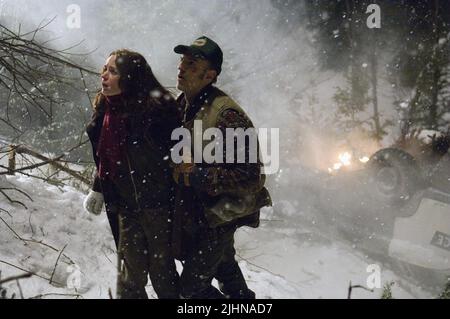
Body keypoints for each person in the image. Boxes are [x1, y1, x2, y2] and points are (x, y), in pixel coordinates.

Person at [171, 36, 272, 299]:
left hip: (220, 215)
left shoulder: (228, 115)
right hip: (203, 213)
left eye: (192, 64)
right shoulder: (183, 103)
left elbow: (251, 177)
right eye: (182, 61)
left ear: (209, 75)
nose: (181, 68)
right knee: (226, 270)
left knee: (191, 290)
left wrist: (196, 174)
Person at [83, 49, 181, 299]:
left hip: (159, 208)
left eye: (112, 71)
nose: (103, 75)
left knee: (163, 275)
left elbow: (180, 160)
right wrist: (98, 187)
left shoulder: (157, 110)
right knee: (129, 278)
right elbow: (107, 157)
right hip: (126, 206)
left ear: (130, 77)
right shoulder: (106, 108)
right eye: (104, 69)